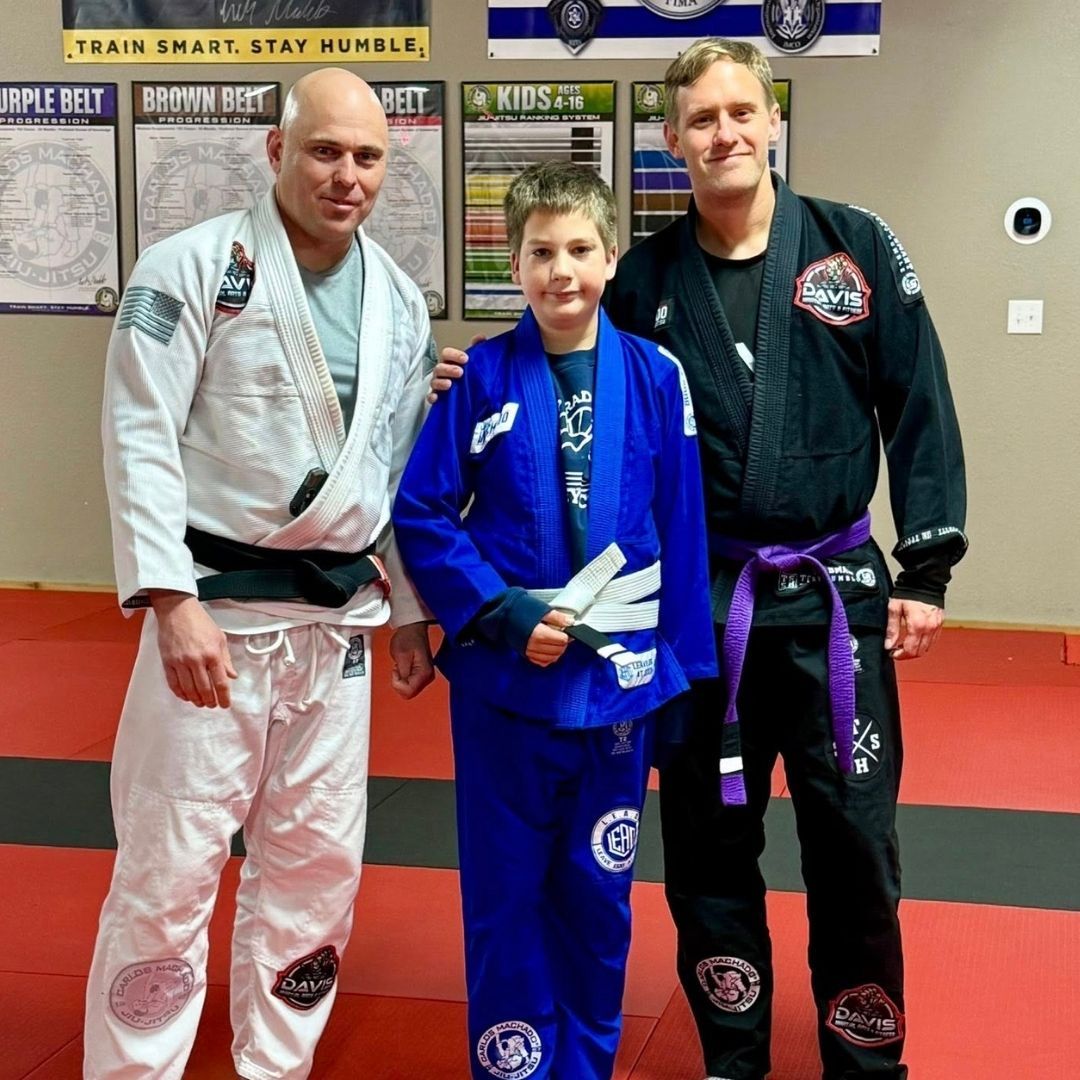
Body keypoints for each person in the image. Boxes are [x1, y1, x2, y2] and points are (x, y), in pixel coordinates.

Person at [431, 39, 967, 1080]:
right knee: (712, 845)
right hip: (703, 605)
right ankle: (734, 1055)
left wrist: (928, 565)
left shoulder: (853, 247)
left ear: (772, 121)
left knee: (856, 842)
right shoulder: (643, 278)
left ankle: (867, 1055)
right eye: (701, 120)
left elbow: (919, 401)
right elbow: (568, 352)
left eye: (740, 112)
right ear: (672, 141)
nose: (724, 134)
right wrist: (477, 372)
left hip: (835, 595)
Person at [85, 68, 436, 1080]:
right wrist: (170, 600)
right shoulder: (187, 268)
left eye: (367, 157)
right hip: (216, 622)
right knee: (168, 870)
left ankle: (275, 1066)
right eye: (325, 151)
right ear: (278, 150)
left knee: (318, 870)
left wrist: (409, 611)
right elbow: (139, 434)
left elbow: (395, 475)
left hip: (338, 632)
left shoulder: (399, 301)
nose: (347, 176)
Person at [393, 161, 716, 1080]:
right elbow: (422, 511)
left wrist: (685, 674)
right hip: (506, 682)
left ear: (612, 258)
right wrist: (500, 614)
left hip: (617, 682)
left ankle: (585, 1066)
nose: (560, 270)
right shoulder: (479, 377)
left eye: (579, 249)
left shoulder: (656, 376)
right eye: (540, 252)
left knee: (598, 892)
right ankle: (513, 1065)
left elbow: (682, 526)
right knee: (505, 893)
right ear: (514, 263)